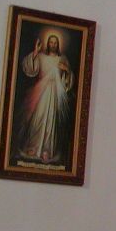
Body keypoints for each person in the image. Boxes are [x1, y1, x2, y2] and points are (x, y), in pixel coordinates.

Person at [16, 32, 74, 164]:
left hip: (55, 94)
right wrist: (35, 53)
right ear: (48, 44)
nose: (53, 45)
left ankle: (47, 150)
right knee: (38, 118)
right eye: (51, 42)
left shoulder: (62, 59)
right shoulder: (41, 57)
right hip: (41, 92)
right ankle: (33, 147)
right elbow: (30, 69)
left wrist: (66, 70)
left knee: (50, 122)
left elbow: (68, 80)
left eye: (55, 42)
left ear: (58, 45)